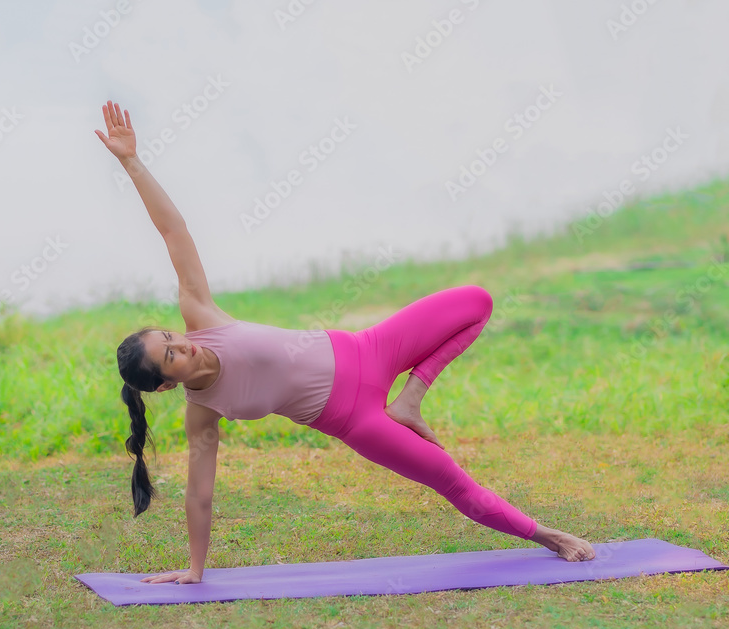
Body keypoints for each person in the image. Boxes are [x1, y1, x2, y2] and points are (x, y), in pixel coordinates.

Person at [94, 100, 597, 586]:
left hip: (368, 348)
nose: (183, 346)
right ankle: (546, 535)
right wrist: (196, 569)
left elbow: (172, 229)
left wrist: (132, 161)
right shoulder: (202, 411)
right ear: (164, 385)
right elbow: (200, 495)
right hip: (357, 420)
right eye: (171, 357)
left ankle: (412, 398)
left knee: (476, 301)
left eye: (171, 338)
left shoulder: (201, 314)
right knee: (449, 478)